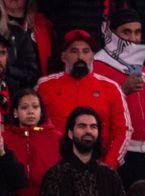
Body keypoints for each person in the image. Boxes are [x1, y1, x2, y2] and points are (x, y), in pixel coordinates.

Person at [37, 29, 132, 170]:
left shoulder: (111, 88)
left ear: (93, 56)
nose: (80, 56)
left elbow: (123, 130)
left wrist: (109, 165)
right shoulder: (45, 87)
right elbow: (36, 127)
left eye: (86, 51)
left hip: (98, 166)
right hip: (55, 167)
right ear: (63, 56)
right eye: (74, 51)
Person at [39, 107, 128, 196]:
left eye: (93, 127)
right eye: (82, 126)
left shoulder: (109, 174)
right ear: (70, 133)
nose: (88, 131)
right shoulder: (56, 174)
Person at [93, 8, 145, 190]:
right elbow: (93, 109)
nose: (133, 38)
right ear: (112, 33)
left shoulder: (140, 66)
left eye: (137, 32)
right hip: (117, 151)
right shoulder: (98, 65)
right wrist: (122, 91)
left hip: (143, 153)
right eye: (126, 32)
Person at [1, 88, 61, 196]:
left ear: (41, 111)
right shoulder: (4, 137)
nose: (30, 111)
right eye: (24, 107)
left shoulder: (55, 138)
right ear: (15, 112)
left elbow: (60, 174)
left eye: (35, 107)